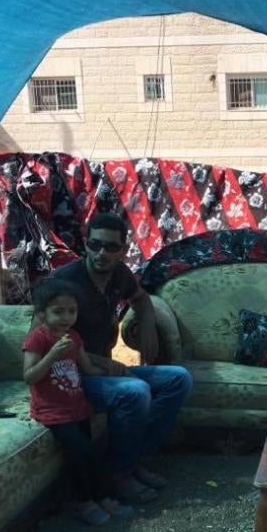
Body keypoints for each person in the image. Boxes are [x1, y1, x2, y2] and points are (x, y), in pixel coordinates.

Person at [52, 213, 193, 504]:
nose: (101, 253)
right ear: (85, 244)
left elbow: (140, 299)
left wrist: (149, 328)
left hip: (101, 371)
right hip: (71, 377)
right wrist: (108, 365)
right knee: (135, 391)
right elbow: (50, 343)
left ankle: (134, 460)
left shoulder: (119, 275)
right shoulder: (65, 282)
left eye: (110, 247)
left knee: (178, 379)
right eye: (95, 245)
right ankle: (119, 474)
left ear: (123, 250)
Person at [22, 280, 133, 524]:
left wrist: (112, 372)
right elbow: (29, 375)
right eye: (58, 311)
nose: (66, 317)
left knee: (91, 453)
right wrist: (52, 355)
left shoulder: (73, 336)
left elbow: (88, 368)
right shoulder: (37, 339)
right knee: (80, 454)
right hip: (52, 412)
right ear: (41, 313)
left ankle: (101, 496)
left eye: (71, 311)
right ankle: (83, 502)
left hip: (77, 407)